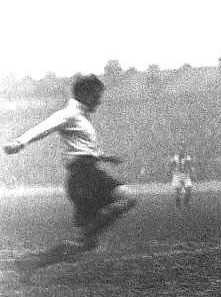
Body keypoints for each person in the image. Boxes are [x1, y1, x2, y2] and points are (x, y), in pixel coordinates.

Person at [3, 74, 137, 266]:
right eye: (96, 95)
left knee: (85, 244)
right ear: (84, 93)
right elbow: (45, 127)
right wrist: (19, 142)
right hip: (84, 176)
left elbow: (81, 149)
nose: (99, 100)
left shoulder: (82, 116)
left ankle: (31, 263)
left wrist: (103, 156)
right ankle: (91, 228)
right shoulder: (70, 113)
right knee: (128, 198)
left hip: (83, 176)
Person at [169, 142, 194, 209]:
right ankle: (177, 205)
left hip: (185, 175)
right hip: (177, 176)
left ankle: (186, 203)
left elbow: (189, 165)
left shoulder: (187, 157)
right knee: (177, 192)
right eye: (180, 149)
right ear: (178, 150)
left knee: (188, 189)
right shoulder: (174, 157)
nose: (181, 151)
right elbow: (171, 166)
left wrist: (191, 171)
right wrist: (171, 171)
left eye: (182, 149)